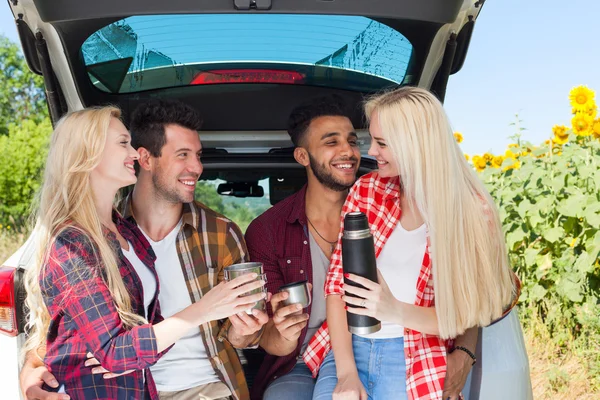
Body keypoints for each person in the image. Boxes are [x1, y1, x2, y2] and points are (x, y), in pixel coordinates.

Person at [20, 101, 268, 400]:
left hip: (177, 388)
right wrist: (32, 366)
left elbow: (130, 331)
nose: (133, 153)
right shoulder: (74, 242)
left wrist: (244, 328)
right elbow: (65, 325)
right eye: (183, 155)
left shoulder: (126, 234)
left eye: (197, 155)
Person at [245, 95, 483, 400]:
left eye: (355, 140)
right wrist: (280, 331)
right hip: (309, 355)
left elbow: (474, 304)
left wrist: (463, 352)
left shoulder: (378, 198)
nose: (353, 151)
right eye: (332, 142)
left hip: (401, 347)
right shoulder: (271, 229)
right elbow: (274, 336)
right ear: (302, 156)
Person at [304, 87, 520, 400]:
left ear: (416, 145)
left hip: (417, 356)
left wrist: (395, 310)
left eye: (382, 143)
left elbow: (467, 313)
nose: (371, 151)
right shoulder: (368, 190)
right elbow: (337, 289)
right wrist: (347, 374)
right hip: (348, 350)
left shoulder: (472, 213)